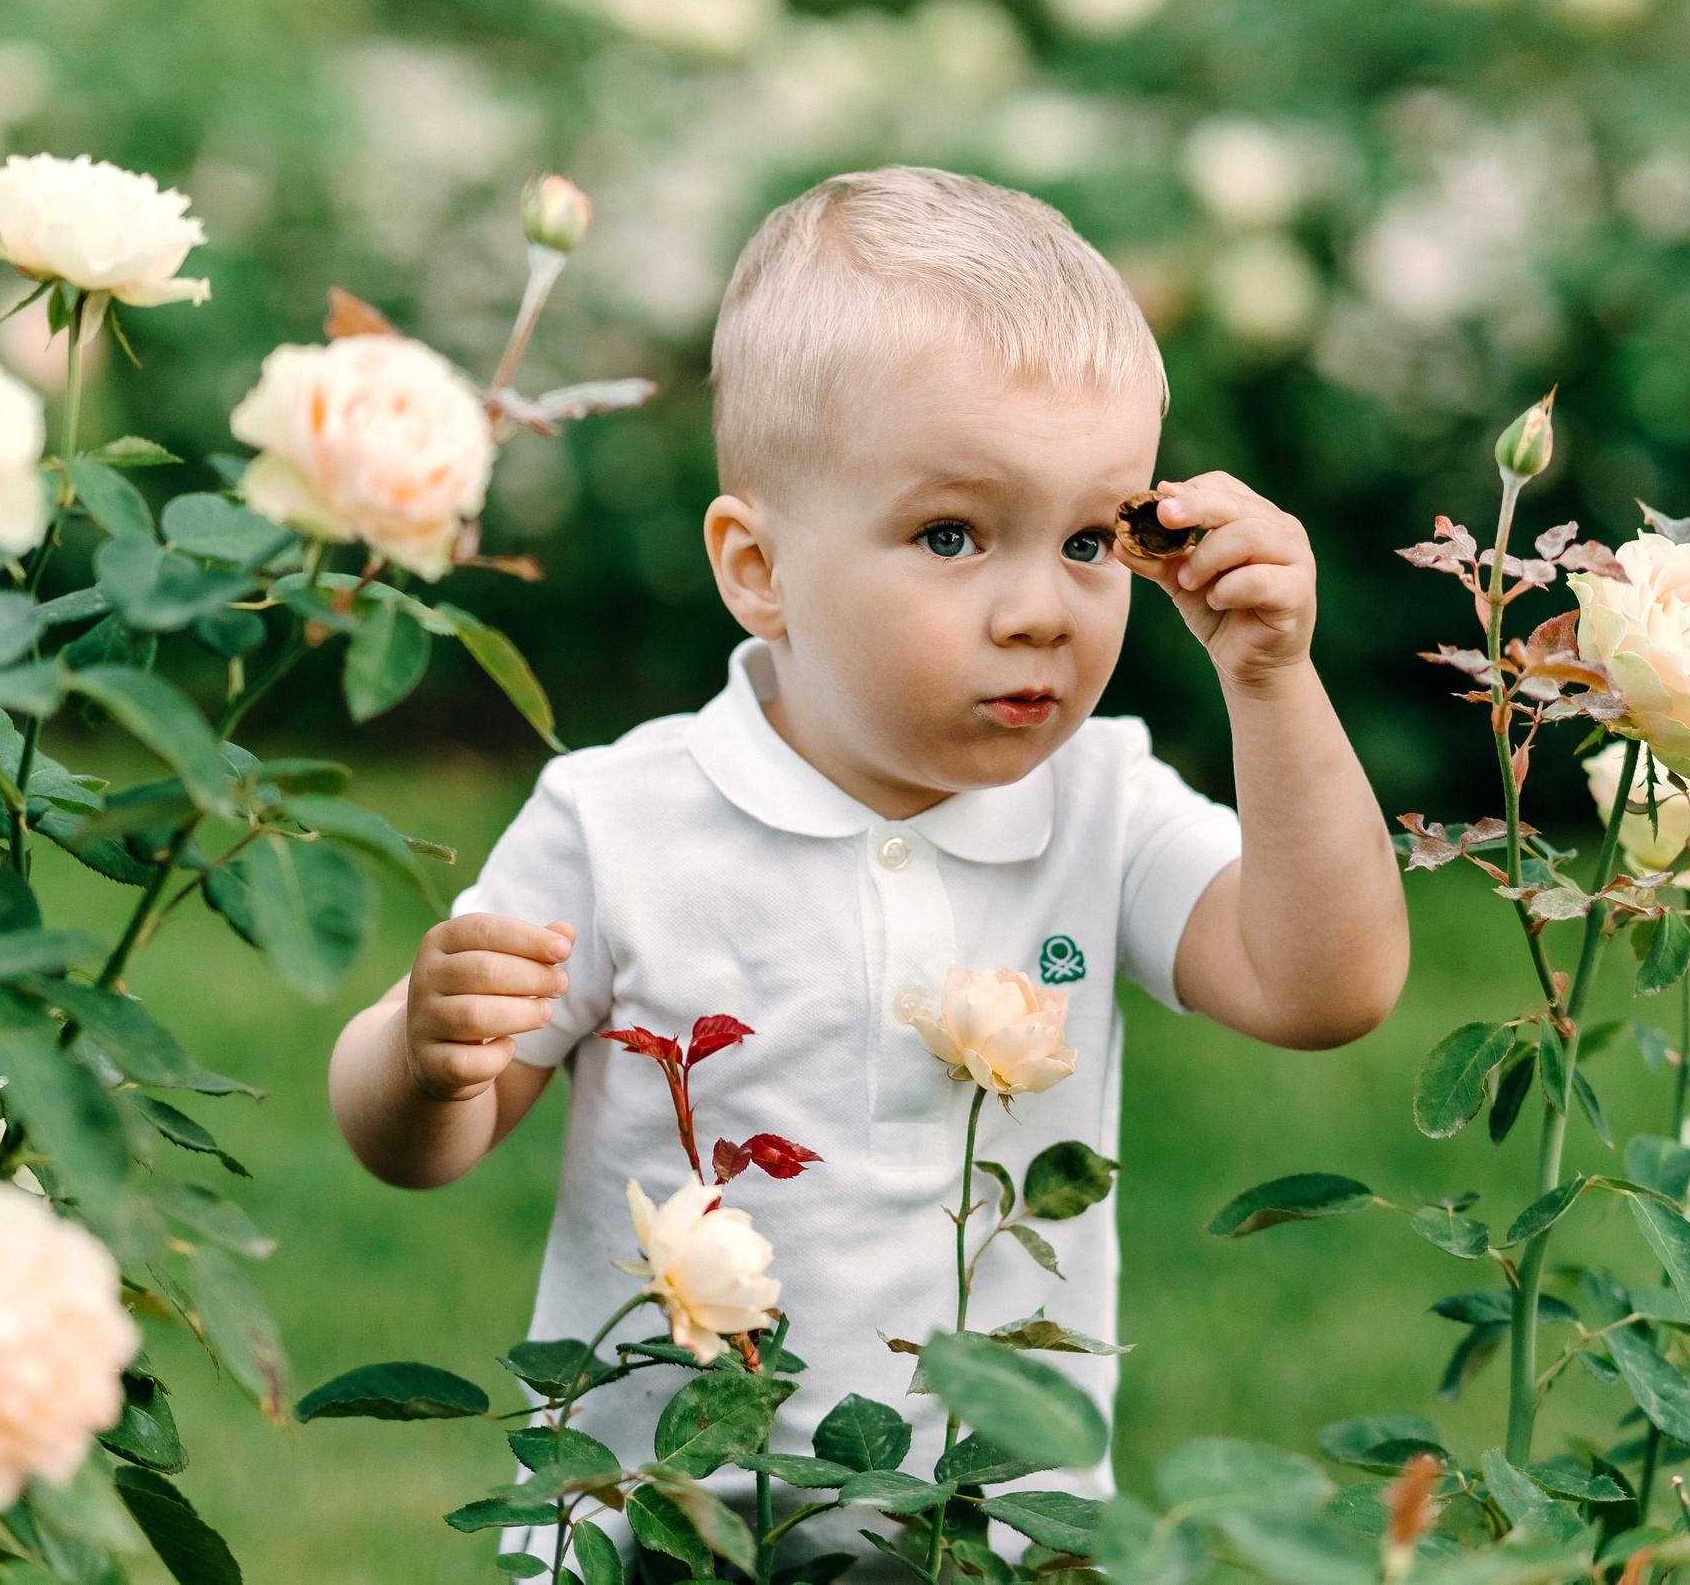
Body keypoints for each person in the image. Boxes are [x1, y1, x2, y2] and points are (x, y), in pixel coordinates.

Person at [327, 165, 1407, 1515]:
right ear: (758, 568)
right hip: (676, 1524)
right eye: (952, 534)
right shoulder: (624, 823)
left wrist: (1271, 680)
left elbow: (1325, 986)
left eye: (1088, 537)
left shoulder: (1103, 801)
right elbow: (424, 1140)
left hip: (990, 1528)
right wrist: (428, 1060)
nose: (1038, 609)